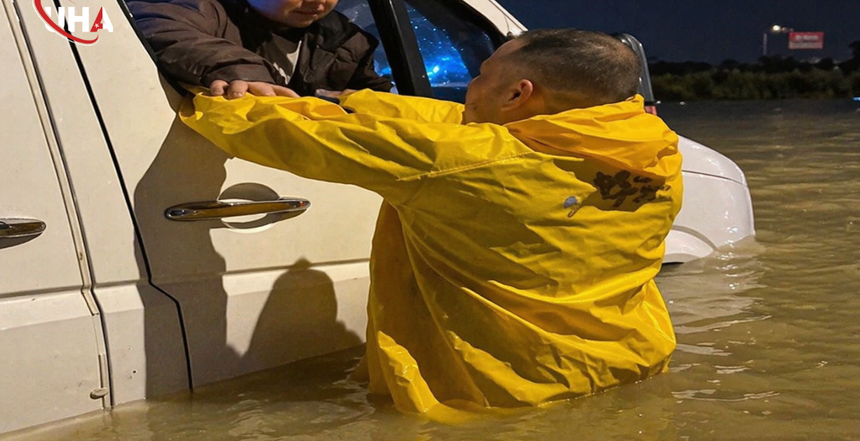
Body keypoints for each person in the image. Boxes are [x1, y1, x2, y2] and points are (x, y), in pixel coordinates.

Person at [180, 29, 683, 419]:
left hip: (500, 393)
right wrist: (350, 101)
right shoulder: (654, 154)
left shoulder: (462, 164)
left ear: (517, 95)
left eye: (483, 75)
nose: (471, 85)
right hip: (629, 364)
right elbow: (449, 124)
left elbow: (284, 139)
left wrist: (216, 98)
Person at [129, 0, 391, 99]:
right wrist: (244, 73)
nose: (318, 0)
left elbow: (376, 93)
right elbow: (149, 21)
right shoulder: (212, 11)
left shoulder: (347, 40)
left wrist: (364, 103)